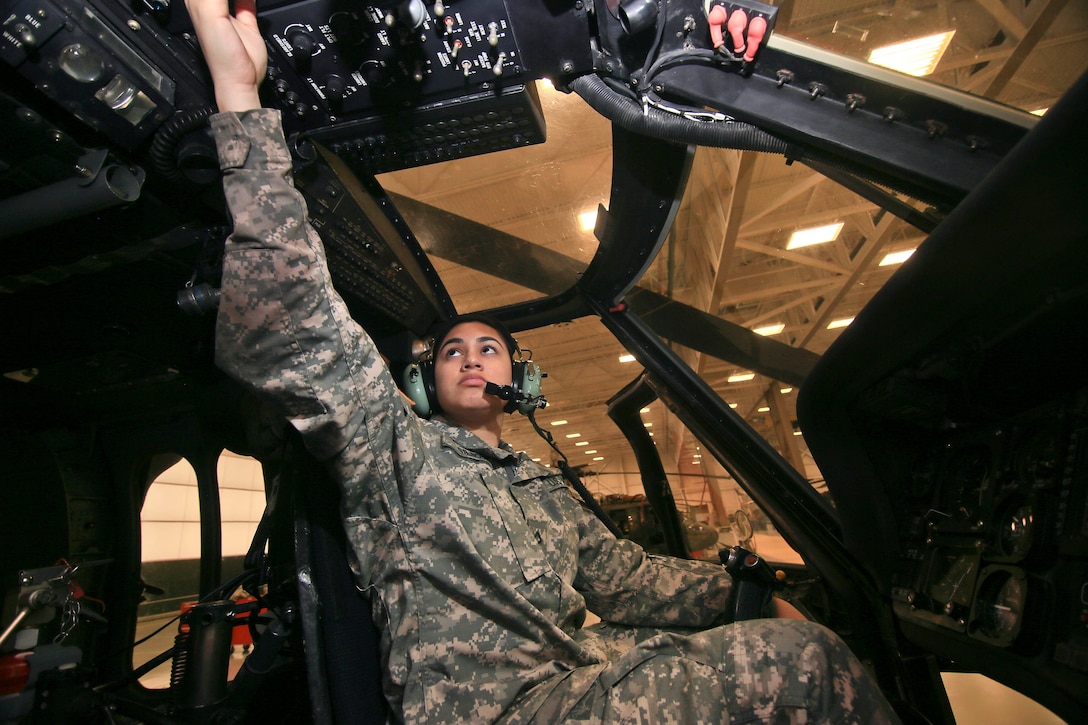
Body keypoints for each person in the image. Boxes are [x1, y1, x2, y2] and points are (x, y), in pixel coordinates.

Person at [186, 0, 903, 721]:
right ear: (423, 383)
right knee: (808, 663)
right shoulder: (396, 451)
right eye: (451, 352)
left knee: (773, 636)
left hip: (570, 680)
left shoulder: (539, 485)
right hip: (499, 713)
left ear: (517, 381)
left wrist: (746, 593)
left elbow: (626, 581)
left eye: (487, 348)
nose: (468, 357)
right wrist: (240, 98)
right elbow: (296, 328)